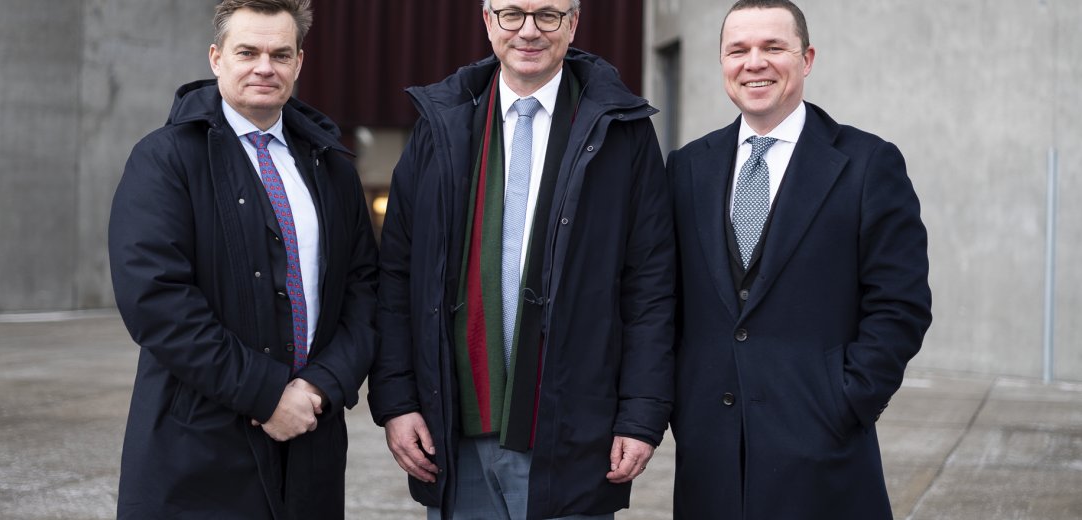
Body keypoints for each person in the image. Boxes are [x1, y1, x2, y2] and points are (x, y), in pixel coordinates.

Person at [367, 0, 675, 518]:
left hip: (575, 433)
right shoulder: (439, 127)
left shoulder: (622, 133)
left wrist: (641, 415)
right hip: (455, 435)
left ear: (573, 23)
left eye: (548, 15)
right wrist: (397, 401)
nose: (528, 31)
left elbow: (650, 286)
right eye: (512, 13)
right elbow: (398, 276)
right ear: (488, 21)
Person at [107, 0, 377, 517]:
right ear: (216, 58)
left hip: (311, 435)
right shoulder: (165, 159)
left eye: (280, 54)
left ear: (300, 62)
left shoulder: (331, 166)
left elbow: (363, 289)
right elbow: (156, 300)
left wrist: (321, 385)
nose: (264, 68)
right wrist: (266, 394)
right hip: (197, 442)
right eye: (247, 52)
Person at [666, 0, 932, 518]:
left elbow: (901, 305)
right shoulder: (686, 167)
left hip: (825, 461)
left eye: (773, 47)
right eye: (738, 50)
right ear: (722, 62)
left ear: (806, 59)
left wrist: (847, 400)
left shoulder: (868, 164)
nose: (754, 63)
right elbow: (663, 298)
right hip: (710, 461)